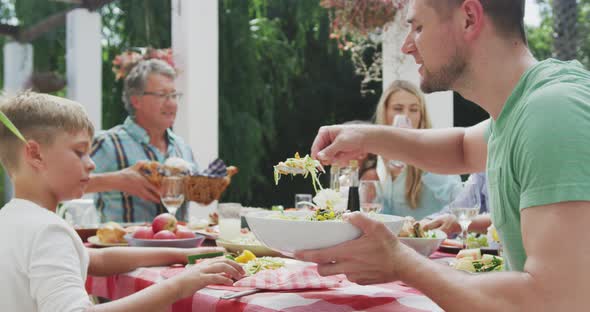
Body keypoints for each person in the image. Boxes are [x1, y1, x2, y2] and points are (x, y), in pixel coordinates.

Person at [296, 0, 590, 310]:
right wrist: (366, 137)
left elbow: (557, 300)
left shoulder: (553, 112)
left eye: (418, 27)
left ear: (468, 18)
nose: (407, 46)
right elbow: (462, 148)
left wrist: (400, 261)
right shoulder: (522, 109)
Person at [0, 92, 244, 311]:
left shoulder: (12, 220)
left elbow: (99, 260)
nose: (91, 163)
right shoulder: (48, 232)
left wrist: (186, 254)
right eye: (79, 151)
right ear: (35, 154)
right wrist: (180, 286)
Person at [88, 59, 197, 223]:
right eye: (162, 95)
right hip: (124, 247)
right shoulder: (108, 143)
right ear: (136, 100)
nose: (171, 103)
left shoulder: (182, 147)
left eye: (174, 95)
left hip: (178, 246)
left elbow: (199, 192)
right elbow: (61, 184)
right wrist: (116, 180)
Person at [373, 80, 461, 219]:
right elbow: (382, 214)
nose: (406, 116)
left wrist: (419, 156)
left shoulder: (435, 151)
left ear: (421, 115)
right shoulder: (377, 157)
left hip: (432, 238)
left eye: (413, 110)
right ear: (385, 112)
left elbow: (458, 197)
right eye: (398, 109)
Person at [422, 171, 491, 235]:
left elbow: (501, 218)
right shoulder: (482, 169)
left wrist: (460, 222)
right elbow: (461, 206)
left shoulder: (441, 174)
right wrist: (426, 222)